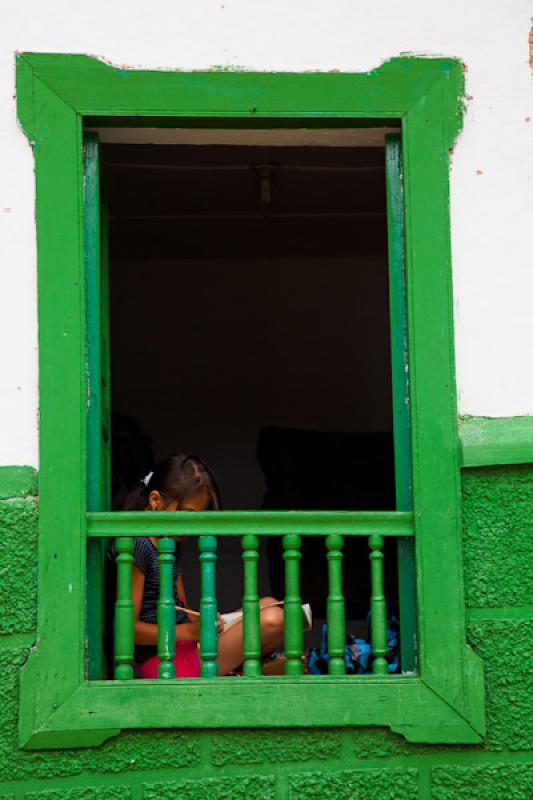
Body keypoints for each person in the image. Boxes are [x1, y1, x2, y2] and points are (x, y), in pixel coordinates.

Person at [121, 453, 284, 678]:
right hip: (162, 661)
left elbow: (183, 611)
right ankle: (238, 668)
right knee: (270, 620)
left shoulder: (168, 544)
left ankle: (234, 667)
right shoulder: (138, 545)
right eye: (187, 515)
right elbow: (127, 630)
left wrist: (204, 620)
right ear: (156, 500)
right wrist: (188, 631)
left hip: (185, 645)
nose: (190, 528)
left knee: (269, 604)